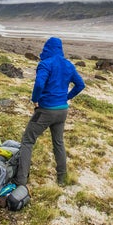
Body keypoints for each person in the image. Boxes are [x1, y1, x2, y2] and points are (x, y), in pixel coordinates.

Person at [15, 37, 85, 187]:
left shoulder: (45, 64)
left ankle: (21, 180)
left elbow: (39, 83)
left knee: (27, 141)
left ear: (47, 48)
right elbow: (80, 85)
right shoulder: (68, 65)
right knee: (58, 143)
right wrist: (66, 97)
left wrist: (35, 99)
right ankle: (62, 179)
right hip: (62, 111)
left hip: (46, 110)